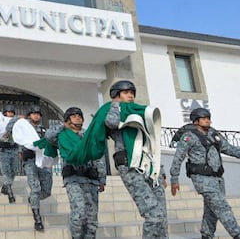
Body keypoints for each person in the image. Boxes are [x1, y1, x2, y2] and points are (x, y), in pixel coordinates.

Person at [169, 108, 240, 239]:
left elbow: (230, 148)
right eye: (204, 118)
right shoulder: (188, 137)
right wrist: (174, 179)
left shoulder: (214, 134)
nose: (207, 120)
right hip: (202, 179)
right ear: (196, 121)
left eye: (208, 118)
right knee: (223, 208)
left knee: (211, 212)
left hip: (218, 179)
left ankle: (206, 236)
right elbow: (178, 158)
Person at [104, 80, 168, 239]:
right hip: (129, 165)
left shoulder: (140, 112)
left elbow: (151, 141)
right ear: (116, 95)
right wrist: (116, 105)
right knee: (153, 214)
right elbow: (110, 122)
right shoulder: (113, 110)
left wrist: (162, 170)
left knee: (162, 216)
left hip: (150, 166)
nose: (130, 95)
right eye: (126, 92)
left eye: (132, 92)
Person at [53, 107, 106, 239]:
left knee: (92, 219)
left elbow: (99, 157)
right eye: (74, 116)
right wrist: (62, 126)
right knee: (79, 213)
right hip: (74, 179)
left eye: (80, 116)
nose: (78, 118)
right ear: (67, 119)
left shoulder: (88, 135)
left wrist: (102, 178)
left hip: (91, 179)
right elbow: (49, 137)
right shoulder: (63, 135)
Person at [15, 105, 53, 230]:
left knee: (46, 191)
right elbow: (19, 140)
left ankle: (33, 199)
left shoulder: (45, 130)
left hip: (43, 162)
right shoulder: (25, 128)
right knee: (35, 189)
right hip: (30, 161)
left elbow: (50, 143)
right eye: (33, 113)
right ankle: (37, 219)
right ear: (29, 115)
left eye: (38, 113)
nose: (36, 115)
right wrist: (20, 152)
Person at [0, 104, 20, 203]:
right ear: (5, 112)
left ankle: (6, 185)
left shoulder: (16, 121)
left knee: (14, 170)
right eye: (9, 112)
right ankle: (9, 191)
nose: (10, 114)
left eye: (12, 113)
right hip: (3, 149)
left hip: (14, 148)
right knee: (6, 171)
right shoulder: (0, 120)